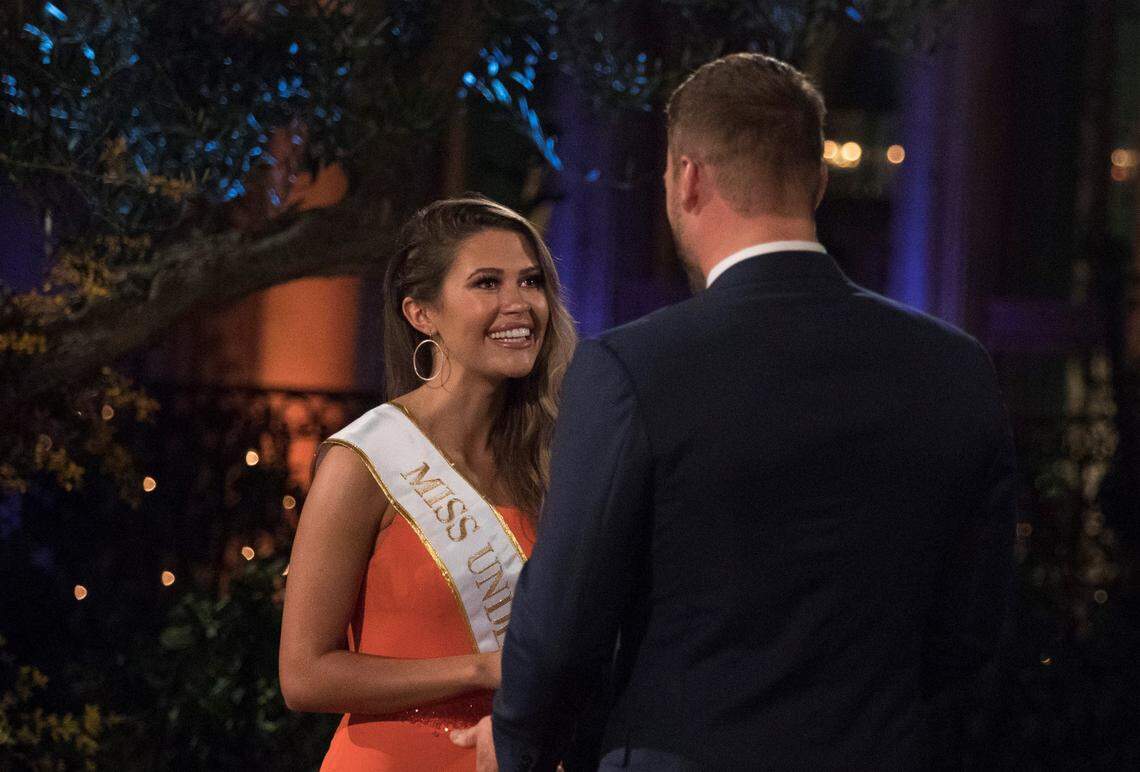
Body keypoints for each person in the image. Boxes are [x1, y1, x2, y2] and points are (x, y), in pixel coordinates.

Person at [490, 53, 1019, 770]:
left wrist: (518, 749)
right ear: (820, 182)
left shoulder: (632, 369)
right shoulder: (955, 368)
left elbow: (559, 632)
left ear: (686, 178)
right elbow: (974, 634)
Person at [278, 194, 577, 771]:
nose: (519, 305)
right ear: (422, 313)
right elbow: (305, 675)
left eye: (531, 282)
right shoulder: (364, 460)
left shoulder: (550, 459)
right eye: (487, 283)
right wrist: (478, 668)